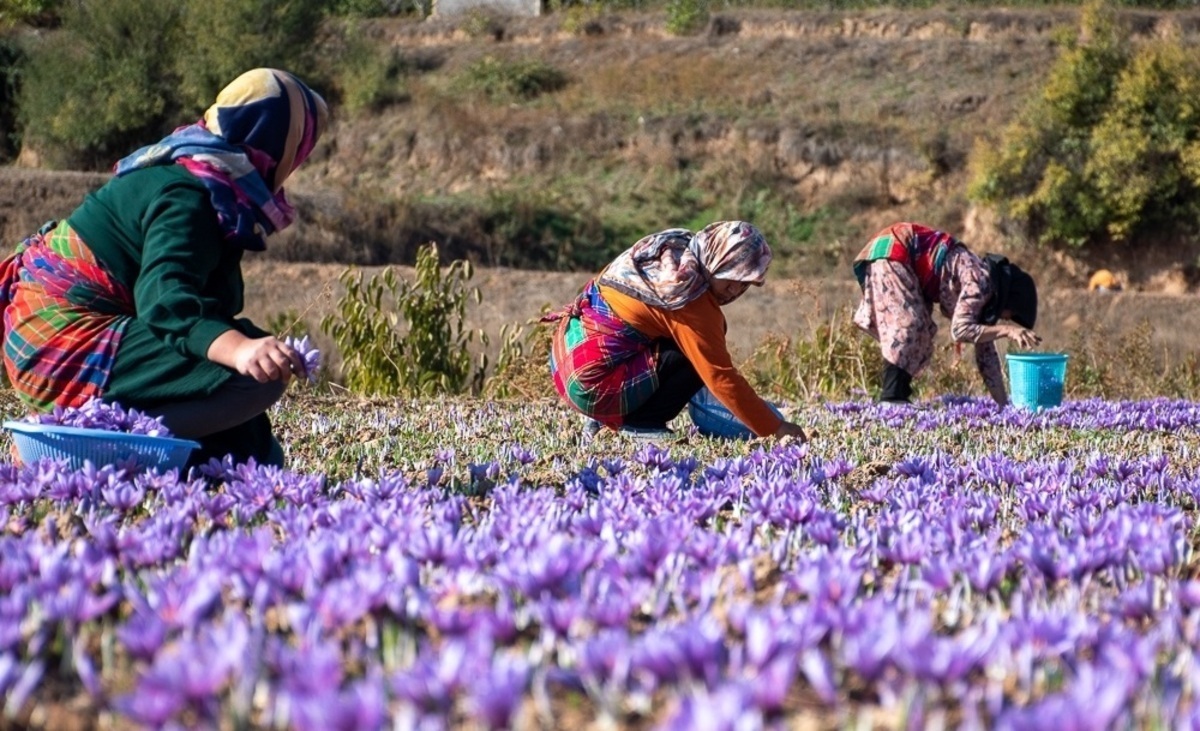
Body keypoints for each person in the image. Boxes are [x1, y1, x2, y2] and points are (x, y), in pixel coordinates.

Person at [0, 68, 328, 467]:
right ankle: (81, 440)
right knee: (255, 381)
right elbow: (164, 299)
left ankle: (206, 460)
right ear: (276, 145)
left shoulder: (206, 179)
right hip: (62, 344)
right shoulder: (189, 195)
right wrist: (241, 350)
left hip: (55, 336)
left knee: (243, 449)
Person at [543, 221, 809, 441]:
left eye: (746, 283)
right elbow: (720, 377)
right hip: (592, 386)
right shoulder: (690, 299)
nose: (736, 290)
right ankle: (642, 424)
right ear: (716, 261)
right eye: (731, 276)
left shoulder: (670, 252)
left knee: (676, 339)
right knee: (695, 357)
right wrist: (774, 428)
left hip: (566, 360)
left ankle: (600, 419)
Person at [852, 221, 1041, 406]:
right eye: (1009, 314)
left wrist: (1003, 407)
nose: (1005, 318)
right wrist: (1007, 331)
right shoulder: (980, 281)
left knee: (923, 331)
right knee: (909, 324)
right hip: (895, 250)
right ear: (1009, 299)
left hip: (904, 258)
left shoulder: (984, 301)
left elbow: (987, 356)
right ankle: (892, 399)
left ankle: (899, 397)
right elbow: (960, 331)